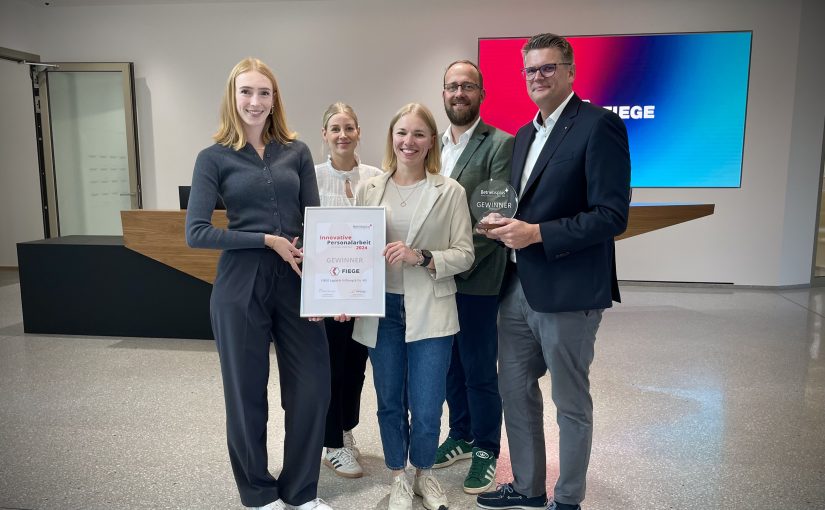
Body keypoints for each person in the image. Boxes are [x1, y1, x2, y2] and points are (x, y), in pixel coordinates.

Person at [475, 34, 631, 510]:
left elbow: (611, 215)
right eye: (530, 71)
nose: (537, 77)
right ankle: (527, 488)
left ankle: (568, 499)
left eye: (547, 68)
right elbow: (528, 205)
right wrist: (504, 226)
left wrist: (537, 233)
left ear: (569, 72)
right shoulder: (524, 134)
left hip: (569, 290)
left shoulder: (599, 126)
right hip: (517, 286)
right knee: (515, 392)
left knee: (570, 403)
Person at [185, 57, 333, 510]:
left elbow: (315, 221)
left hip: (295, 279)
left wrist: (328, 281)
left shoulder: (298, 151)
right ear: (233, 98)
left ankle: (300, 491)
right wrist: (266, 239)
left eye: (263, 93)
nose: (255, 101)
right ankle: (257, 493)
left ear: (275, 100)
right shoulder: (213, 157)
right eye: (246, 92)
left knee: (312, 387)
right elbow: (196, 232)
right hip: (239, 284)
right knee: (246, 392)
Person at [352, 103, 475, 510]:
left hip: (430, 309)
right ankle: (398, 476)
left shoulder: (449, 190)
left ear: (430, 142)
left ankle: (425, 472)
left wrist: (420, 256)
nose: (409, 141)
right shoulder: (369, 189)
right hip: (381, 310)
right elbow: (352, 250)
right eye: (402, 133)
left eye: (419, 134)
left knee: (426, 403)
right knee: (389, 400)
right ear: (392, 137)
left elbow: (465, 255)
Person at [432, 60, 513, 495]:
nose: (458, 93)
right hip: (432, 278)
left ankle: (485, 448)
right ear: (442, 94)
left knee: (480, 367)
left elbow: (495, 222)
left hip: (476, 276)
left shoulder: (501, 144)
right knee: (448, 365)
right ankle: (460, 434)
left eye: (467, 86)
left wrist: (450, 261)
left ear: (481, 93)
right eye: (451, 86)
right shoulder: (431, 146)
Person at [314, 102, 382, 479]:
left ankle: (345, 431)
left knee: (356, 369)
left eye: (349, 128)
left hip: (363, 293)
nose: (343, 135)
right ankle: (331, 444)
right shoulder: (311, 177)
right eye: (335, 128)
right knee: (329, 369)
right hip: (327, 294)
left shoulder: (376, 176)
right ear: (324, 134)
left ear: (359, 133)